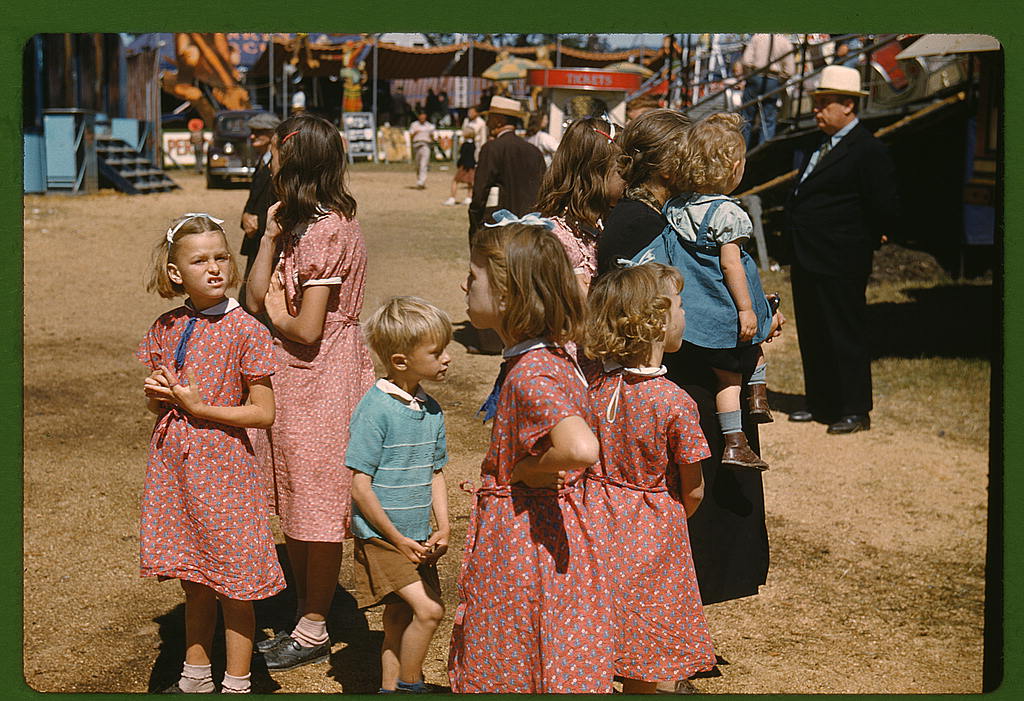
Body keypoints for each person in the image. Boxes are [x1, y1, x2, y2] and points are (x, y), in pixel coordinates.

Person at [597, 109, 770, 608]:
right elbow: (657, 312)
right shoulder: (640, 222)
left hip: (705, 376)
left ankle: (678, 634)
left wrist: (760, 309)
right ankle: (663, 645)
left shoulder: (676, 215)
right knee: (687, 517)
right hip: (687, 381)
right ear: (668, 164)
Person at [448, 221, 614, 693]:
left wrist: (525, 468)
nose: (466, 284)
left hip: (526, 544)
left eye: (475, 275)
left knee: (516, 653)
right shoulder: (552, 356)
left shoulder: (531, 374)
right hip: (548, 535)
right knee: (546, 650)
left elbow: (580, 447)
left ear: (506, 295)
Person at [245, 113, 376, 671]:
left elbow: (304, 328)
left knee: (319, 499)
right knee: (298, 494)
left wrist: (277, 309)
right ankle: (307, 609)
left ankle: (316, 624)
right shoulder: (297, 225)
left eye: (278, 153)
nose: (270, 162)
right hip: (295, 379)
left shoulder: (328, 231)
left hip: (324, 377)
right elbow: (251, 298)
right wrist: (270, 240)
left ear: (297, 164)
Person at [138, 213, 285, 694]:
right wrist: (159, 395)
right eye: (200, 260)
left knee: (234, 582)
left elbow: (263, 413)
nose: (215, 267)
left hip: (224, 468)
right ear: (176, 273)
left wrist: (205, 407)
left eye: (221, 256)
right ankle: (195, 677)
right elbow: (157, 399)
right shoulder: (166, 325)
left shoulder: (247, 330)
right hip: (175, 466)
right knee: (194, 575)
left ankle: (238, 682)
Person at [583, 262, 716, 694]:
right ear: (657, 320)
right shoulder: (674, 401)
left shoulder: (595, 390)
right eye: (679, 304)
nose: (684, 312)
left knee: (599, 623)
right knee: (646, 638)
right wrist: (672, 517)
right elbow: (693, 487)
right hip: (653, 530)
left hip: (594, 519)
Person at [654, 112, 781, 469]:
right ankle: (737, 438)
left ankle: (753, 405)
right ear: (734, 168)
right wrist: (745, 308)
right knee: (734, 373)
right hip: (725, 306)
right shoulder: (728, 213)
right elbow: (730, 265)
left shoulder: (676, 208)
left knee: (730, 369)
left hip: (696, 310)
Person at [785, 65, 899, 435]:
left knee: (844, 332)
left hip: (841, 257)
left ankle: (854, 407)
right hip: (809, 254)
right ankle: (821, 400)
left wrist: (870, 237)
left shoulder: (868, 149)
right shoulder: (821, 146)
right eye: (816, 103)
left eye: (824, 104)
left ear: (848, 106)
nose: (817, 111)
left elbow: (884, 205)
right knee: (815, 330)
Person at [348, 296, 452, 694]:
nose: (446, 359)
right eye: (436, 352)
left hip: (417, 538)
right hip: (383, 539)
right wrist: (397, 539)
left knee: (398, 620)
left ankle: (389, 689)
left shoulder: (432, 410)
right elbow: (360, 484)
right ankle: (411, 685)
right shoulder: (375, 410)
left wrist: (441, 528)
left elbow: (435, 472)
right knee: (430, 611)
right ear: (400, 360)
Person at [536, 116, 624, 294]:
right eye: (621, 171)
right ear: (595, 173)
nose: (629, 178)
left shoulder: (600, 225)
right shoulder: (556, 236)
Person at [467, 95, 545, 237]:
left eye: (489, 118)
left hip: (498, 228)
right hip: (529, 229)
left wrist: (475, 223)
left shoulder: (492, 148)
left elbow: (480, 193)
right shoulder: (534, 151)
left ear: (498, 121)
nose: (487, 123)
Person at [240, 111, 282, 310]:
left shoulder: (280, 163)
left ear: (272, 134)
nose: (252, 136)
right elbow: (254, 198)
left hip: (270, 242)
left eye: (258, 132)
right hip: (254, 239)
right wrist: (246, 216)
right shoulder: (262, 161)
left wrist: (260, 221)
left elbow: (283, 203)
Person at [740, 33, 795, 147]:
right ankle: (764, 151)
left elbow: (746, 60)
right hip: (773, 80)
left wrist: (750, 74)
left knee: (746, 118)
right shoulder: (785, 42)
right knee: (768, 120)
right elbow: (790, 70)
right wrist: (781, 80)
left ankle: (743, 150)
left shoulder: (757, 37)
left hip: (756, 76)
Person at [444, 125, 476, 206]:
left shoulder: (465, 145)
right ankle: (469, 197)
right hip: (471, 165)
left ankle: (452, 198)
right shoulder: (473, 144)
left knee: (455, 181)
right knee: (470, 182)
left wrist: (459, 164)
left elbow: (462, 156)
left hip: (464, 166)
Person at [409, 110, 437, 190]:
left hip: (426, 145)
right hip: (416, 144)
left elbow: (433, 137)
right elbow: (411, 135)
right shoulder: (414, 125)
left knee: (423, 164)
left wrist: (432, 138)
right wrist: (416, 133)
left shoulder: (430, 126)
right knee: (418, 164)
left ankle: (422, 181)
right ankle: (419, 179)